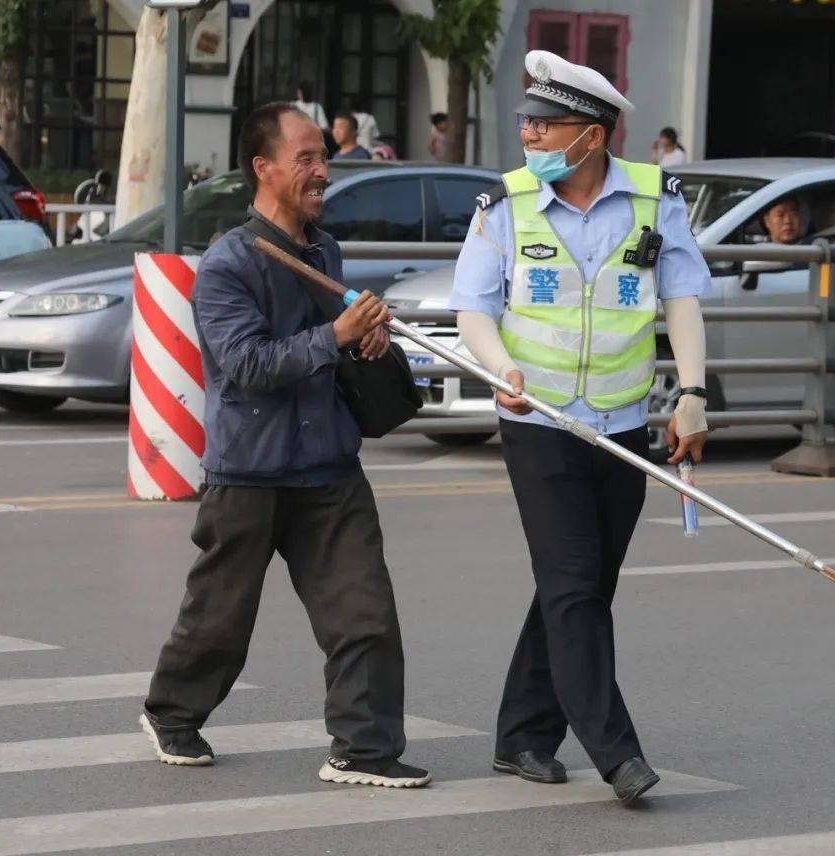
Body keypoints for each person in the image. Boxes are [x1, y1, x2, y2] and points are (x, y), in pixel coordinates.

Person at [140, 102, 430, 790]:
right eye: (305, 159)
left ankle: (364, 748)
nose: (321, 172)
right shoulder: (228, 264)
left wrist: (364, 339)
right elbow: (247, 365)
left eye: (323, 158)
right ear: (262, 168)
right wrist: (335, 335)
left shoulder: (323, 250)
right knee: (219, 617)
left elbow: (329, 351)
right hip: (250, 469)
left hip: (329, 463)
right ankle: (172, 713)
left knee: (365, 613)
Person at [449, 50, 711, 806]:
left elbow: (682, 299)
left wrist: (691, 394)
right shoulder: (507, 204)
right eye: (526, 124)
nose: (528, 136)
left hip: (623, 424)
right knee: (572, 583)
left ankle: (523, 735)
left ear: (592, 135)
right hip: (538, 421)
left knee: (583, 584)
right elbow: (474, 309)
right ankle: (617, 752)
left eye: (543, 125)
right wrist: (504, 368)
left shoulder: (658, 199)